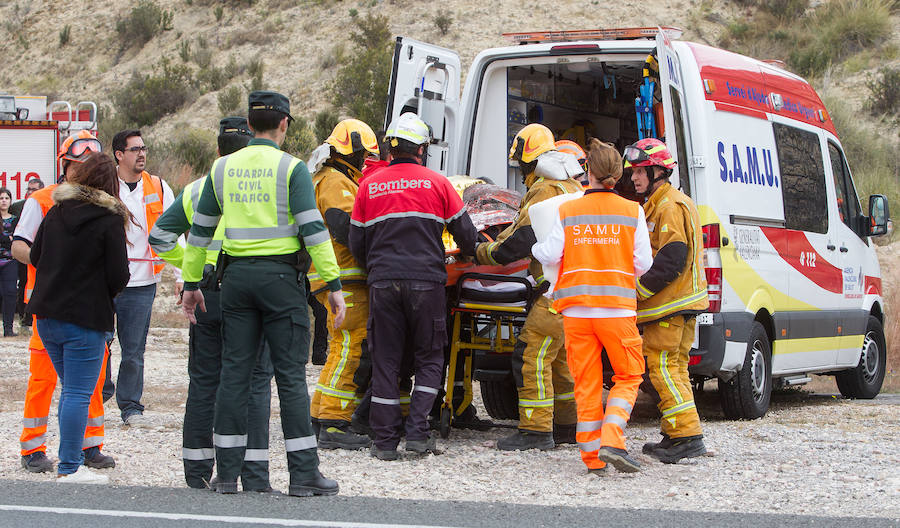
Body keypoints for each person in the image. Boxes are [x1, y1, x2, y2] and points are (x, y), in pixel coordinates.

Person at [180, 91, 345, 497]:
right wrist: (333, 285)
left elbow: (200, 231)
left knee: (234, 375)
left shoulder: (222, 169)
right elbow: (313, 230)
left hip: (234, 282)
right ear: (284, 124)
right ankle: (304, 475)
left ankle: (227, 477)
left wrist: (189, 284)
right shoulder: (292, 169)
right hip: (281, 284)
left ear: (250, 126)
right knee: (289, 379)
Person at [149, 116, 276, 491]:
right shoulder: (265, 187)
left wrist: (192, 264)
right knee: (253, 382)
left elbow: (159, 237)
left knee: (205, 382)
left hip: (206, 293)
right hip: (252, 292)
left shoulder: (197, 189)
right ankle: (252, 474)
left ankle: (196, 471)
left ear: (218, 151)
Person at [349, 112, 479, 461]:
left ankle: (385, 442)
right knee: (429, 356)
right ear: (421, 149)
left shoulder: (368, 186)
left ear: (391, 149)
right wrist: (477, 255)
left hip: (383, 282)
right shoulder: (438, 184)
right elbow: (467, 235)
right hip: (427, 283)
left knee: (387, 360)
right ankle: (418, 434)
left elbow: (356, 242)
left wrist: (378, 268)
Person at [532, 139, 652, 474]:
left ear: (589, 172)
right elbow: (643, 262)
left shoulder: (568, 210)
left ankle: (592, 458)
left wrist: (540, 248)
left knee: (585, 382)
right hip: (617, 311)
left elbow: (550, 254)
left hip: (576, 312)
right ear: (619, 174)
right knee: (629, 375)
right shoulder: (633, 211)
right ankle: (613, 440)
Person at [474, 123, 583, 451]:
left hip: (556, 289)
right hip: (576, 287)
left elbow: (521, 238)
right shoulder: (571, 185)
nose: (520, 174)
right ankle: (568, 426)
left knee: (530, 354)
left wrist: (482, 251)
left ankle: (535, 430)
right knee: (560, 360)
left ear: (527, 161)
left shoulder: (543, 190)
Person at [13, 131, 114, 473]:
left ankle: (90, 445)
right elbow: (19, 247)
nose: (84, 169)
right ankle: (33, 446)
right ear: (66, 165)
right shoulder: (43, 200)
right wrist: (59, 266)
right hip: (50, 305)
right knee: (44, 381)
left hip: (75, 306)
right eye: (78, 163)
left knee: (91, 382)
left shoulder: (103, 205)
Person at [29, 151, 130, 484]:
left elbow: (35, 255)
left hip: (46, 315)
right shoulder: (110, 219)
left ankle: (68, 460)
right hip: (86, 317)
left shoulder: (57, 211)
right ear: (110, 183)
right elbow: (119, 275)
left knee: (69, 390)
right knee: (77, 393)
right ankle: (69, 467)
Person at [625, 138, 710, 464]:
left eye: (640, 171)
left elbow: (672, 258)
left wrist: (639, 291)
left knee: (662, 369)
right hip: (681, 305)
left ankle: (687, 436)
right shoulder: (664, 202)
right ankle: (676, 433)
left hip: (669, 306)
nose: (634, 177)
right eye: (633, 171)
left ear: (659, 170)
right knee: (675, 369)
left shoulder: (668, 206)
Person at [308, 119, 380, 451]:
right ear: (350, 150)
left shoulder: (324, 177)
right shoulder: (337, 181)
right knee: (351, 346)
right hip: (345, 277)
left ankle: (321, 415)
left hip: (329, 276)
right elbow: (345, 227)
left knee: (339, 346)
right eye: (363, 154)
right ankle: (336, 424)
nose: (365, 161)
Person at [111, 129, 177, 426]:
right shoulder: (103, 184)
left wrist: (181, 274)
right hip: (102, 281)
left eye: (144, 148)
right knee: (98, 343)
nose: (142, 154)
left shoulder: (159, 188)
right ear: (119, 154)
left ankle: (130, 406)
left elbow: (177, 231)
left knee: (133, 350)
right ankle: (95, 396)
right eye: (135, 149)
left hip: (141, 283)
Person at [12, 178, 44, 330]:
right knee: (23, 284)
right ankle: (24, 316)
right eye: (28, 189)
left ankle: (33, 316)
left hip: (40, 254)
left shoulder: (43, 203)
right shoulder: (17, 207)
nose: (30, 192)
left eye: (34, 189)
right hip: (24, 251)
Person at [0, 187, 20, 336]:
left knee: (10, 293)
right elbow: (8, 239)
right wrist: (8, 239)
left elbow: (18, 239)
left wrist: (6, 240)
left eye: (6, 198)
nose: (4, 201)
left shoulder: (15, 219)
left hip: (10, 261)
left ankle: (8, 329)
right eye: (1, 198)